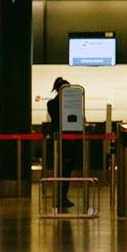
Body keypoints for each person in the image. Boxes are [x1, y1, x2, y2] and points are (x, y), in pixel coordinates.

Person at [46, 77, 78, 208]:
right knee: (65, 169)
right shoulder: (62, 104)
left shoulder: (52, 104)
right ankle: (61, 197)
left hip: (59, 140)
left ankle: (61, 196)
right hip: (65, 141)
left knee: (61, 169)